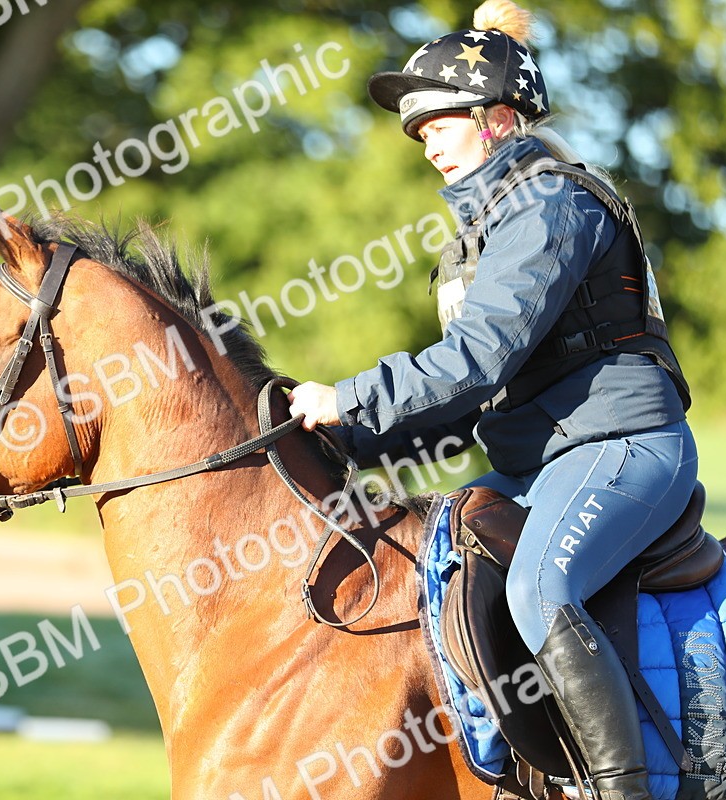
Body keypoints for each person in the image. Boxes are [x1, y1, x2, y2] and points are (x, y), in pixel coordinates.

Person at [286, 2, 697, 798]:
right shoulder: (478, 238)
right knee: (427, 564)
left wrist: (350, 395)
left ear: (498, 119)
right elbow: (467, 401)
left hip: (624, 449)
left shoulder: (553, 207)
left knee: (538, 586)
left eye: (438, 122)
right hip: (539, 463)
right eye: (418, 130)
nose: (424, 140)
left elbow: (476, 360)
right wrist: (345, 441)